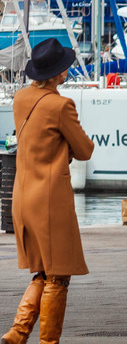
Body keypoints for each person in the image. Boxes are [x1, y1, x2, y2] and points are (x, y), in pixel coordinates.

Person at [3, 41, 93, 344]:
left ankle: (17, 334)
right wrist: (64, 148)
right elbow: (84, 149)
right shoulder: (61, 105)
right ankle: (47, 342)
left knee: (41, 272)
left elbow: (36, 140)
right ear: (59, 72)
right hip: (50, 200)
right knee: (58, 276)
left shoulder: (20, 99)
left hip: (23, 197)